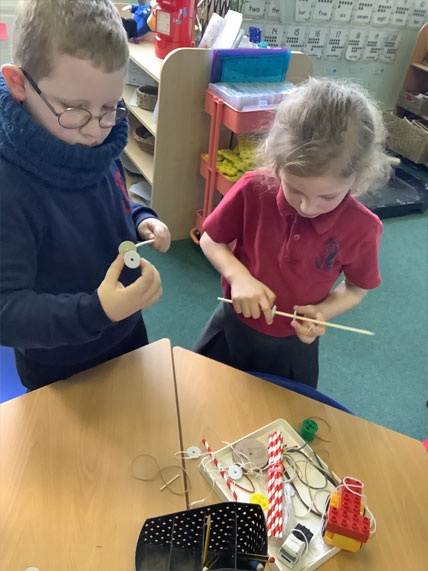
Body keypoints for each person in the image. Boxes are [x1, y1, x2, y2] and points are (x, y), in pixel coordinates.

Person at [0, 0, 171, 391]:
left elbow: (112, 201)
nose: (96, 130)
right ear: (18, 84)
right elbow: (6, 310)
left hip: (125, 329)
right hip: (58, 363)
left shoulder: (96, 140)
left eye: (110, 107)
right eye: (75, 108)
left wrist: (139, 217)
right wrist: (96, 310)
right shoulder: (9, 185)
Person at [193, 78, 392, 388]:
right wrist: (238, 276)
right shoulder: (253, 189)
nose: (307, 207)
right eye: (295, 189)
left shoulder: (363, 228)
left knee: (280, 409)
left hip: (293, 347)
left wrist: (324, 311)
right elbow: (210, 239)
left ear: (357, 177)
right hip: (233, 325)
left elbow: (356, 288)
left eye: (328, 197)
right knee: (206, 389)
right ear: (277, 163)